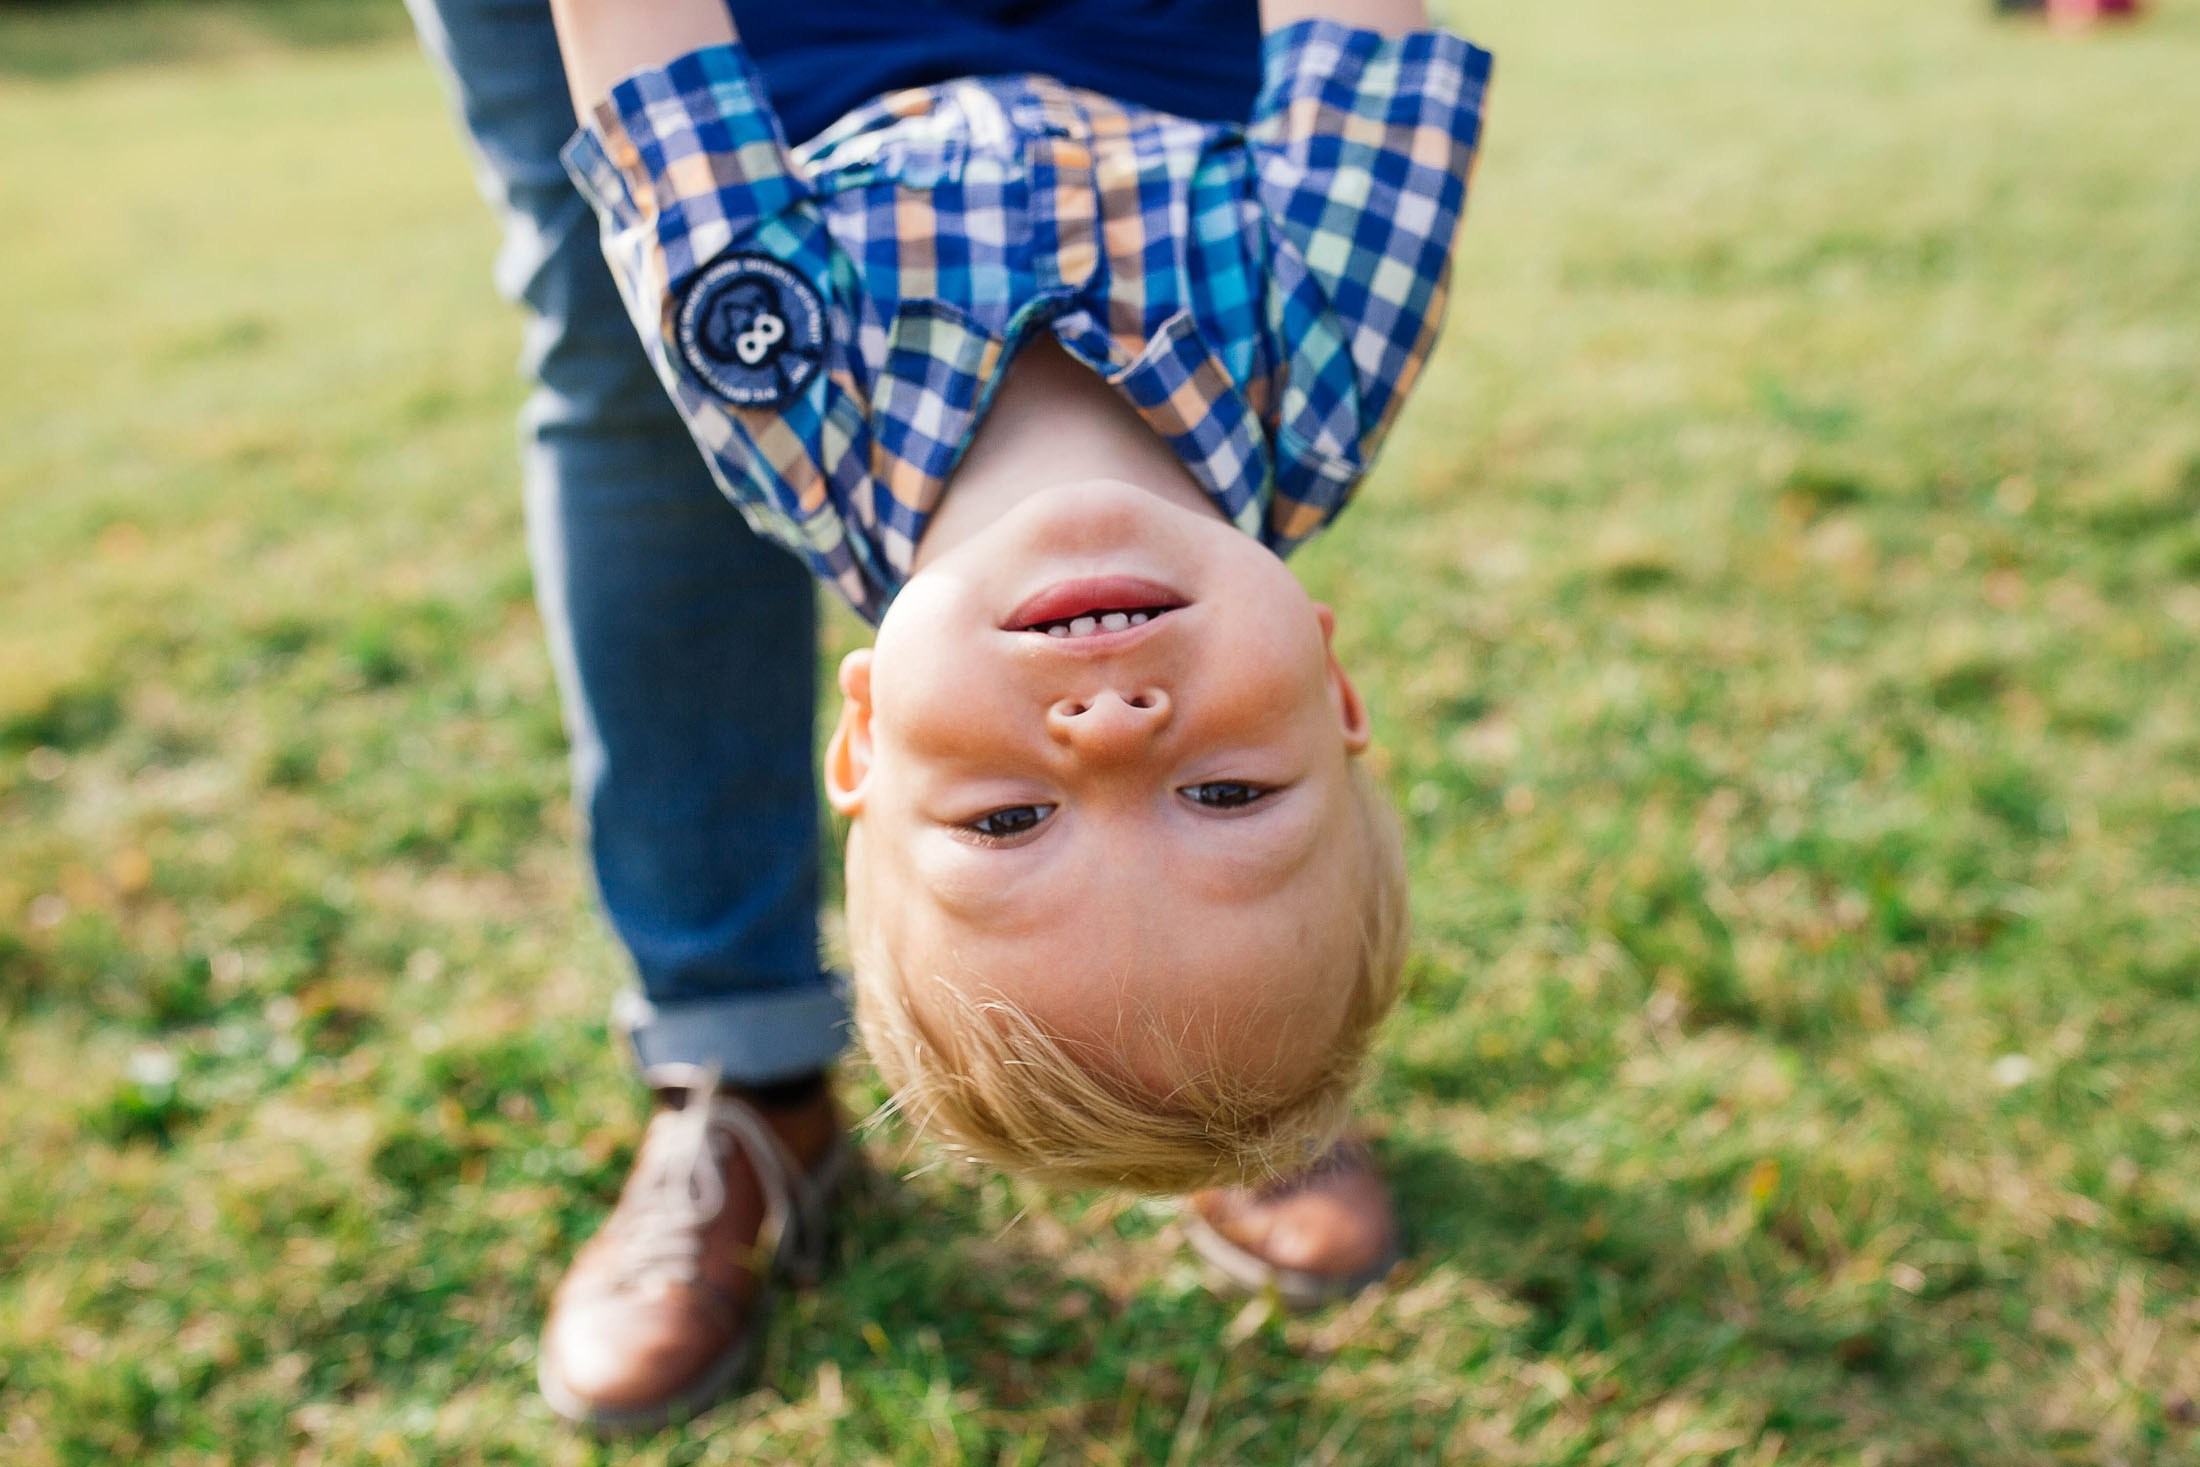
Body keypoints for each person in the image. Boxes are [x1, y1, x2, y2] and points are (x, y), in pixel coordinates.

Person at [407, 0, 1487, 1432]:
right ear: (1332, 688)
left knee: (606, 365)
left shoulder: (770, 368)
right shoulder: (1331, 342)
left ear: (869, 740)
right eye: (1227, 795)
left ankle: (754, 1070)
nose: (1115, 731)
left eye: (1011, 819)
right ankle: (1223, 1087)